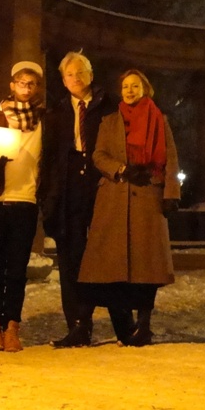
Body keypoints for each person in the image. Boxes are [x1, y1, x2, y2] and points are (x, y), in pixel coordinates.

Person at [77, 68, 180, 347]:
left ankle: (143, 327)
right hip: (113, 196)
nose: (130, 91)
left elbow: (170, 157)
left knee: (147, 268)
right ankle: (82, 326)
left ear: (145, 89)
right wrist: (122, 169)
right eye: (125, 87)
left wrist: (171, 193)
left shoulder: (159, 119)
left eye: (135, 86)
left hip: (147, 196)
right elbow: (98, 154)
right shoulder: (110, 121)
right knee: (99, 266)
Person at [39, 51, 132, 347]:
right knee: (71, 258)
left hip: (103, 185)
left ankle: (124, 324)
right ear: (63, 81)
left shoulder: (109, 107)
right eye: (69, 74)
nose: (76, 78)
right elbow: (49, 157)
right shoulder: (56, 112)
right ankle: (79, 324)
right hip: (69, 190)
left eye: (81, 72)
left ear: (91, 75)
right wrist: (49, 196)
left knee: (109, 253)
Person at [0, 61, 45, 352]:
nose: (26, 88)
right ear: (11, 85)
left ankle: (12, 326)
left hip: (26, 200)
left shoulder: (43, 121)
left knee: (17, 268)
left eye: (31, 84)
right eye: (21, 83)